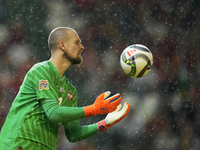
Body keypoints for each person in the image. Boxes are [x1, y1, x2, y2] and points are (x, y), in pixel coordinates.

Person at [0, 27, 130, 150]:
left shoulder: (70, 91)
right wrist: (94, 109)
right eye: (77, 42)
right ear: (62, 45)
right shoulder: (41, 70)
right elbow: (52, 113)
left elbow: (73, 134)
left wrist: (104, 123)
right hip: (18, 143)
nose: (82, 47)